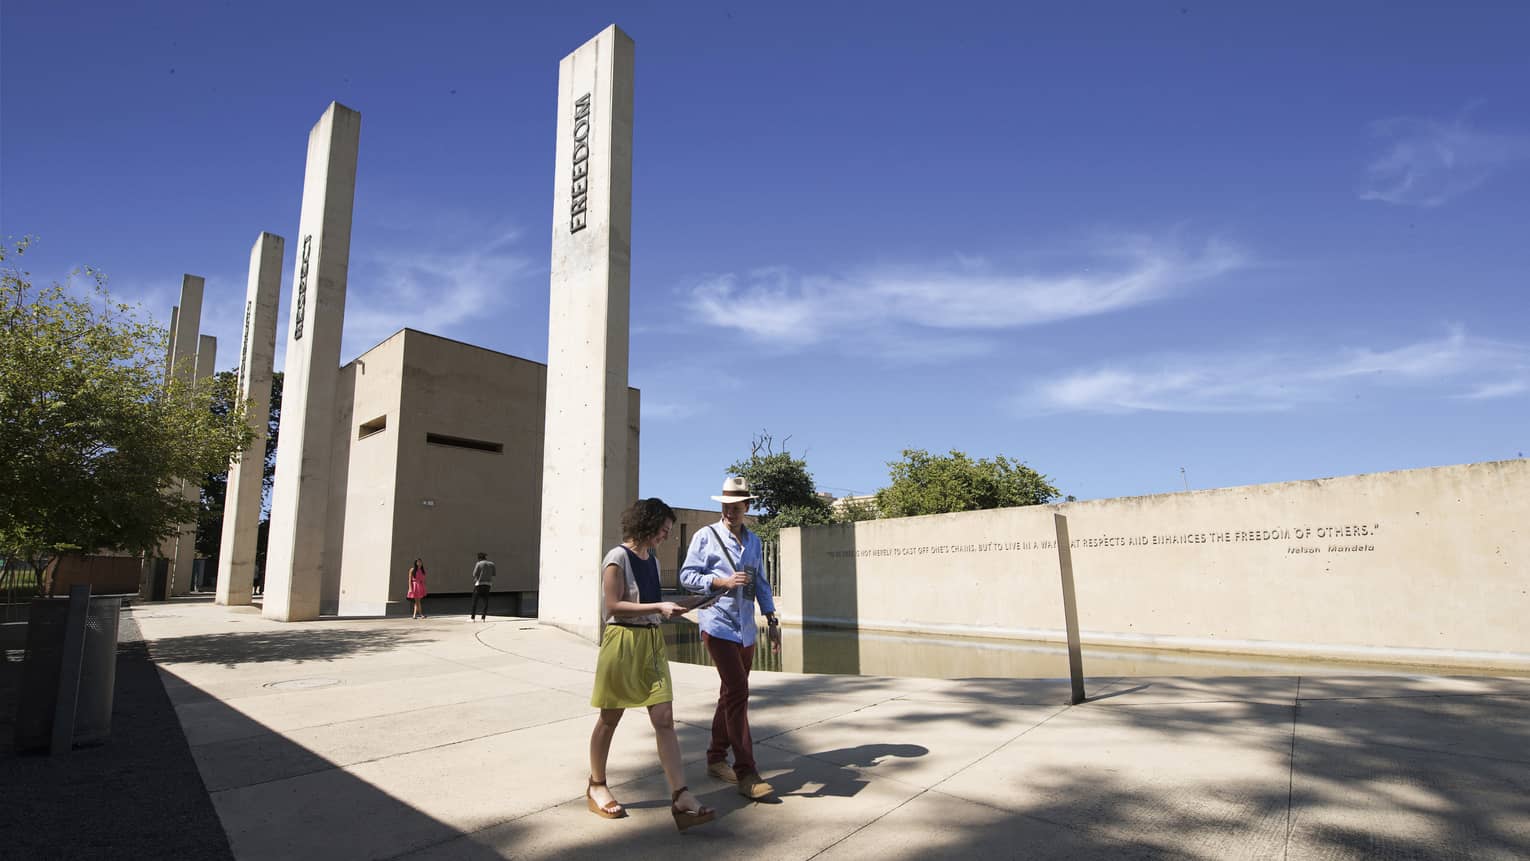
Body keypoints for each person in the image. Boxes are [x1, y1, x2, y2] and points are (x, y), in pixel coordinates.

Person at [587, 498, 715, 832]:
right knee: (609, 717)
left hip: (651, 643)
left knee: (665, 719)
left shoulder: (653, 561)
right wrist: (659, 605)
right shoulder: (617, 557)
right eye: (663, 530)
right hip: (623, 642)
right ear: (646, 524)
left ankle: (681, 795)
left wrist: (694, 602)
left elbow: (654, 607)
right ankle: (596, 784)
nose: (665, 536)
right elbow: (613, 606)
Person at [679, 476, 782, 801]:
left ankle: (715, 758)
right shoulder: (705, 537)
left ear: (746, 507)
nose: (729, 512)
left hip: (746, 629)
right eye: (725, 506)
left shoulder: (754, 542)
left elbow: (760, 582)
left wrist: (771, 617)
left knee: (729, 695)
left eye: (735, 507)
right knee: (739, 692)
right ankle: (746, 772)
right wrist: (719, 582)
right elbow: (686, 576)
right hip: (717, 625)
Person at [469, 552, 496, 620]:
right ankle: (483, 618)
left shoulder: (479, 563)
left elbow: (474, 574)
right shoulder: (492, 564)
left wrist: (479, 576)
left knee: (475, 601)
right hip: (488, 584)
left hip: (479, 584)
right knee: (485, 601)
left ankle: (473, 618)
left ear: (479, 558)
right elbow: (493, 574)